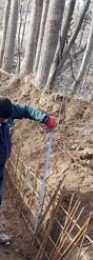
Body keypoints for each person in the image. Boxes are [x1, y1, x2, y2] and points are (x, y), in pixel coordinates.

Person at [0, 96, 57, 243]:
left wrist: (44, 118)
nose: (5, 121)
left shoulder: (7, 112)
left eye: (6, 119)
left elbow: (25, 110)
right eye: (1, 119)